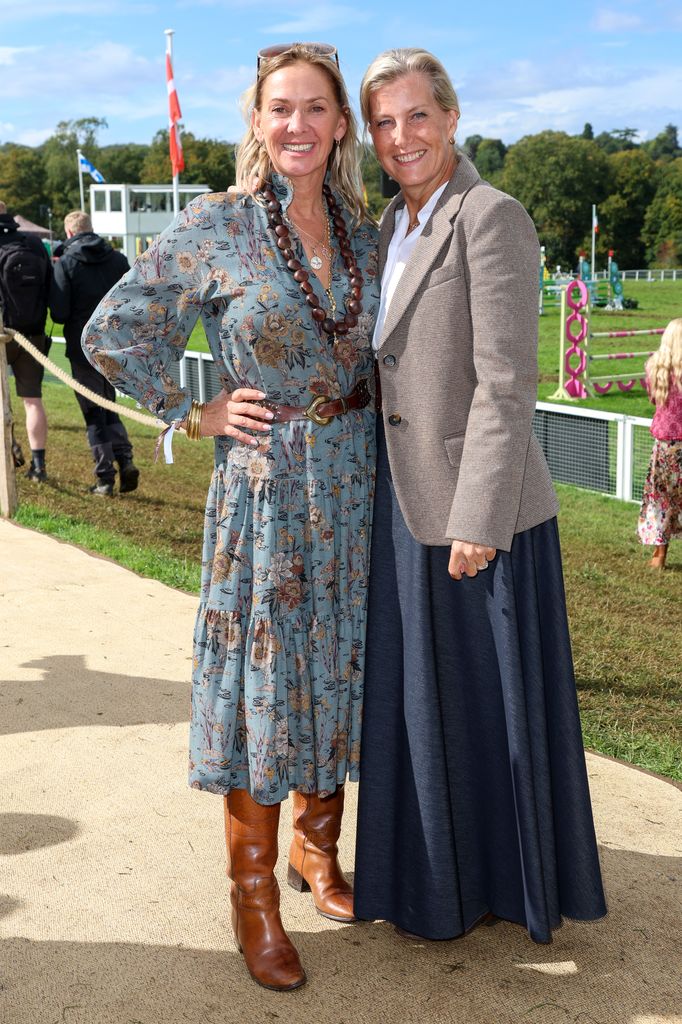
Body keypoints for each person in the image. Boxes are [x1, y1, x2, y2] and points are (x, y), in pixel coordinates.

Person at [82, 43, 379, 991]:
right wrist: (191, 408)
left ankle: (316, 848)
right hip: (264, 490)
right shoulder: (216, 225)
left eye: (317, 109)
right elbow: (112, 333)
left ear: (341, 126)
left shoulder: (366, 229)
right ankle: (254, 896)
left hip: (357, 482)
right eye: (280, 108)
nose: (298, 125)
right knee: (267, 676)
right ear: (257, 121)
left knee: (340, 663)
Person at [354, 48, 607, 945]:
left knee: (486, 712)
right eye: (384, 122)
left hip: (476, 513)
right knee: (426, 708)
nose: (401, 137)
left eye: (417, 116)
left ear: (451, 117)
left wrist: (478, 517)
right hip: (402, 504)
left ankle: (507, 885)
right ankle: (432, 888)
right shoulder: (389, 226)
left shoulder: (492, 217)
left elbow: (506, 384)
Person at [50, 211, 139, 496]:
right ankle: (125, 460)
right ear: (91, 230)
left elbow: (60, 313)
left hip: (82, 346)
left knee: (93, 412)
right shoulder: (118, 259)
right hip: (114, 343)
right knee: (109, 404)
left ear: (69, 233)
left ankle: (105, 478)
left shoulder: (66, 263)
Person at [0, 200, 52, 482]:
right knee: (33, 401)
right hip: (33, 332)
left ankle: (9, 446)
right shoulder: (33, 244)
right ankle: (39, 466)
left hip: (1, 333)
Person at [637, 317, 682, 569]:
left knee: (662, 501)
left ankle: (659, 555)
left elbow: (654, 401)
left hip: (665, 448)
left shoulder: (656, 370)